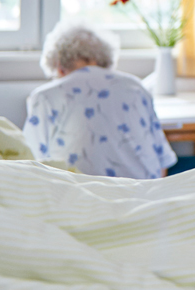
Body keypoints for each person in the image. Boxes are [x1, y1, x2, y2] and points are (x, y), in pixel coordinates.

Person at [26, 21, 177, 179]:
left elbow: (30, 161)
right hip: (142, 193)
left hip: (81, 193)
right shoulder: (136, 86)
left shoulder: (46, 96)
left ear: (59, 67)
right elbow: (162, 162)